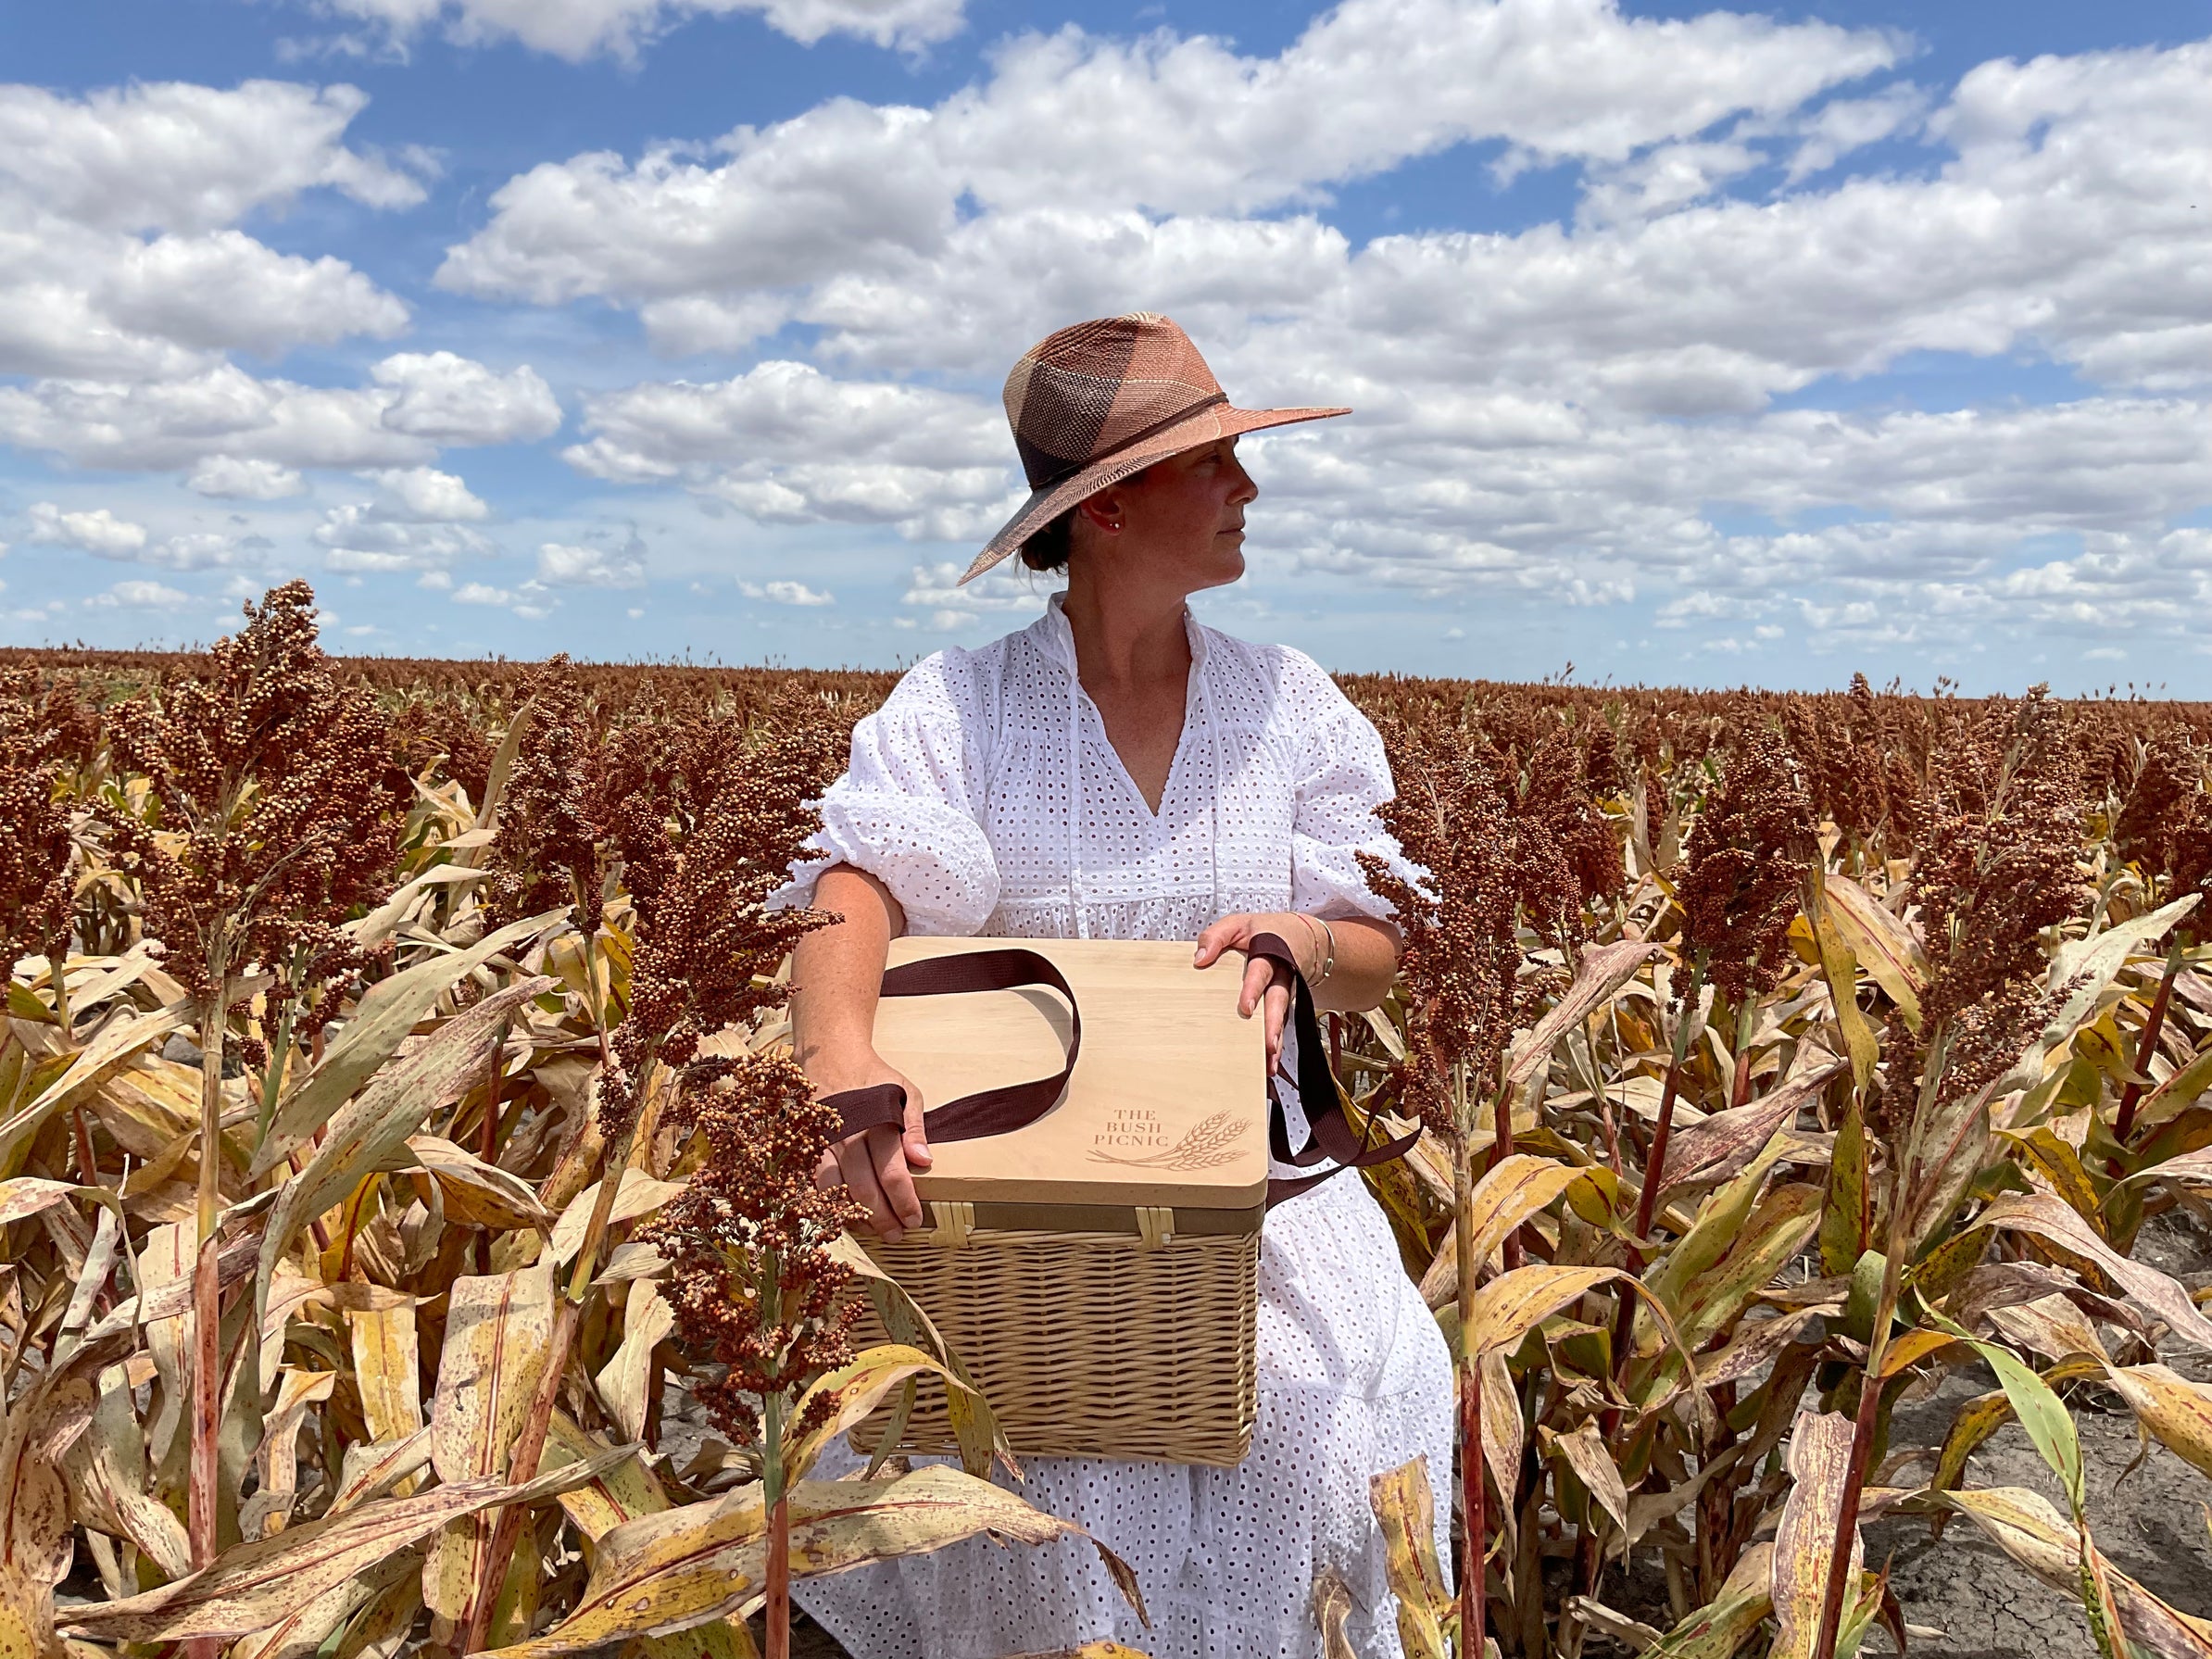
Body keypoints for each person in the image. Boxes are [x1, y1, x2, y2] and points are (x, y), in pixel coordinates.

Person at [774, 312, 1453, 1658]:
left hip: (1251, 1206)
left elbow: (1386, 941)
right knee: (1061, 1488)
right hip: (1032, 1237)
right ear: (1110, 511)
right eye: (1214, 463)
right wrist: (839, 1061)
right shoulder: (966, 707)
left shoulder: (1290, 704)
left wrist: (1306, 946)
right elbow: (854, 885)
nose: (1247, 489)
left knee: (1320, 1415)